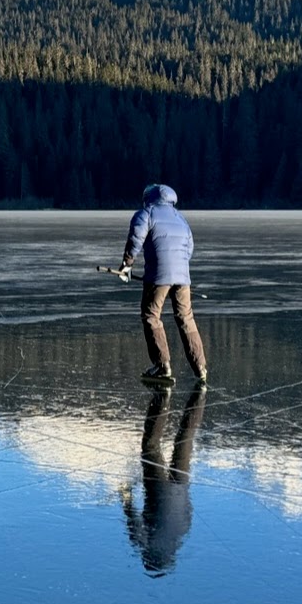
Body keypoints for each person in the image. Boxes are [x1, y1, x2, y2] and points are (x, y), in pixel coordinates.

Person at [118, 184, 207, 383]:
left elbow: (135, 240)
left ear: (148, 198)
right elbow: (189, 249)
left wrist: (126, 264)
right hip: (182, 276)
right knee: (185, 317)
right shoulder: (180, 218)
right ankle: (200, 366)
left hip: (158, 275)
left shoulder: (146, 214)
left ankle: (162, 366)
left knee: (151, 315)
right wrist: (178, 268)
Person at [121, 384, 206, 576]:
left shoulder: (182, 532)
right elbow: (133, 521)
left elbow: (188, 509)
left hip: (182, 485)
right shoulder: (147, 544)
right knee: (150, 447)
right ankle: (162, 398)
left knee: (185, 440)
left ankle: (199, 400)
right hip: (158, 488)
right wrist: (125, 495)